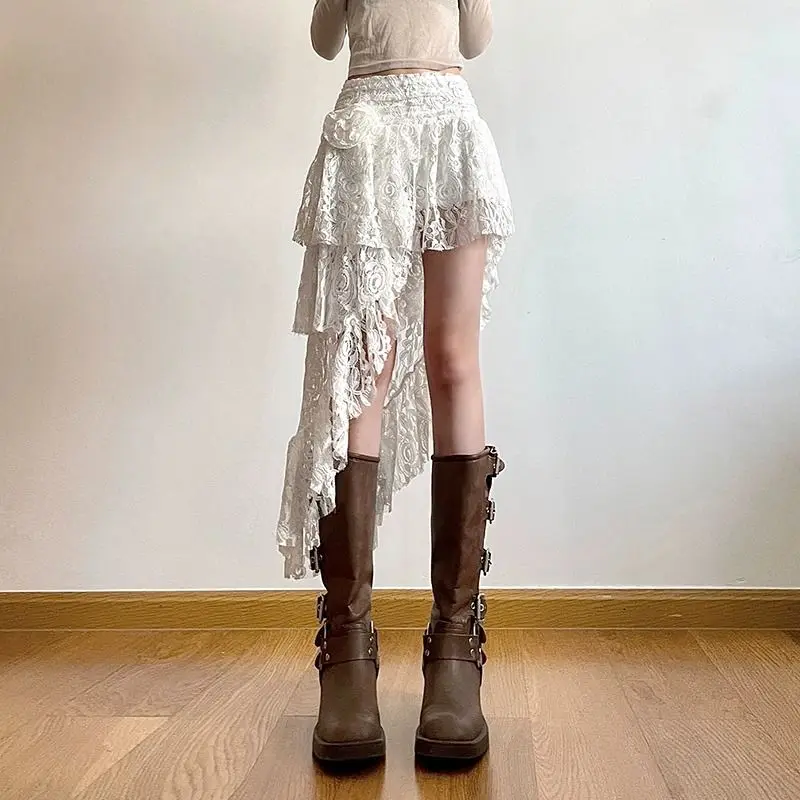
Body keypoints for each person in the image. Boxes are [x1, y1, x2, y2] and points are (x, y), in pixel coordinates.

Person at [277, 0, 513, 763]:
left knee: (453, 357)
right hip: (368, 129)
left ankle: (455, 643)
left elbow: (476, 40)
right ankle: (348, 644)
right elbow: (324, 41)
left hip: (447, 123)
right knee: (363, 367)